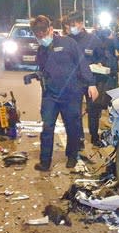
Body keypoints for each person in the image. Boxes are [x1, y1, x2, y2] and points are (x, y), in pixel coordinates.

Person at [29, 15, 97, 172]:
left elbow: (82, 63)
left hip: (71, 94)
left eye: (43, 35)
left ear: (51, 29)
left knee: (72, 126)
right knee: (47, 128)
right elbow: (43, 70)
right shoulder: (41, 50)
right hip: (50, 96)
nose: (41, 39)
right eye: (38, 36)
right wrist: (35, 75)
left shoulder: (68, 43)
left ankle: (72, 156)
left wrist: (91, 83)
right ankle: (45, 161)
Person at [64, 12, 108, 148]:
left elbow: (102, 57)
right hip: (74, 82)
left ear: (81, 23)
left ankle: (94, 137)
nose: (71, 28)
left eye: (73, 25)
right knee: (75, 112)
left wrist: (100, 63)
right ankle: (79, 139)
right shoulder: (67, 40)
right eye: (69, 26)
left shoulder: (93, 40)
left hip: (91, 82)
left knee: (93, 110)